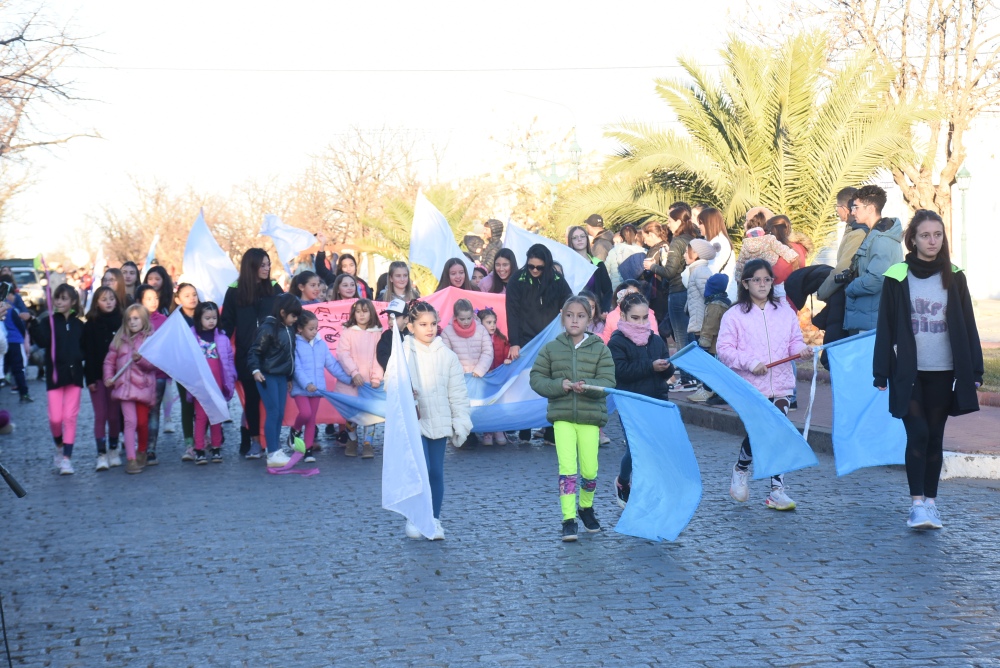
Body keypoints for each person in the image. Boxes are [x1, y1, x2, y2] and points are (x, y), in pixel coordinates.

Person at [873, 209, 983, 530]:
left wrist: (974, 369)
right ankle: (916, 505)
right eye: (925, 235)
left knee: (935, 436)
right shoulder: (897, 275)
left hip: (944, 371)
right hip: (908, 372)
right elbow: (886, 326)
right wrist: (881, 372)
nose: (932, 241)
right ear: (913, 239)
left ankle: (931, 504)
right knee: (917, 432)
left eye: (937, 235)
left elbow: (968, 324)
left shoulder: (955, 274)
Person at [718, 259, 811, 511]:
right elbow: (724, 350)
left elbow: (794, 341)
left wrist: (802, 351)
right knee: (761, 433)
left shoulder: (785, 311)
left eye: (767, 279)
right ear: (745, 283)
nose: (762, 284)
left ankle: (777, 490)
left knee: (777, 431)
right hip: (750, 387)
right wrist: (750, 363)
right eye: (756, 280)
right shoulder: (734, 315)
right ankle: (741, 468)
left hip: (781, 385)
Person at [529, 295, 616, 541]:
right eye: (570, 315)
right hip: (562, 417)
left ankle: (585, 508)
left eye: (580, 316)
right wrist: (560, 385)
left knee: (590, 470)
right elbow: (537, 378)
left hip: (590, 419)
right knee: (567, 469)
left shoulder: (600, 349)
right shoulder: (552, 348)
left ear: (589, 319)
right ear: (562, 317)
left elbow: (608, 382)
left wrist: (586, 385)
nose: (574, 320)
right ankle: (568, 518)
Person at [403, 300, 473, 541]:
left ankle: (433, 518)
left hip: (440, 422)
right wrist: (404, 392)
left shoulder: (448, 356)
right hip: (414, 422)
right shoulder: (402, 354)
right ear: (411, 326)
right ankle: (415, 517)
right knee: (419, 471)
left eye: (433, 323)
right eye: (423, 324)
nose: (429, 329)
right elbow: (391, 383)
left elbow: (458, 393)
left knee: (435, 472)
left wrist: (460, 422)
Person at [608, 292, 673, 508]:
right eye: (635, 318)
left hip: (656, 401)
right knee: (637, 449)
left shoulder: (655, 340)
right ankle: (624, 482)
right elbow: (621, 371)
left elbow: (665, 373)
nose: (641, 322)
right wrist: (650, 366)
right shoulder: (617, 342)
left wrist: (668, 368)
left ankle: (652, 489)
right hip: (631, 404)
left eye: (645, 317)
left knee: (655, 448)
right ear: (624, 317)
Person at [505, 243, 573, 442]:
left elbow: (569, 302)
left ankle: (551, 431)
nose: (534, 270)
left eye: (539, 268)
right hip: (526, 340)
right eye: (531, 266)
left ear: (547, 265)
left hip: (552, 342)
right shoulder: (517, 279)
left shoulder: (558, 280)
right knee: (527, 385)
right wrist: (514, 342)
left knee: (552, 385)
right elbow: (512, 313)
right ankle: (524, 429)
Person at [220, 248, 284, 459]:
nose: (266, 269)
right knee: (252, 400)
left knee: (275, 401)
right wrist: (216, 347)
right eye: (262, 265)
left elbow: (288, 315)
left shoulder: (275, 289)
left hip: (273, 355)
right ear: (251, 266)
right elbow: (226, 324)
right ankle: (255, 441)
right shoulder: (234, 291)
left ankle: (274, 442)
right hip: (247, 356)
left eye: (268, 264)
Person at [28, 284, 85, 476]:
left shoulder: (79, 325)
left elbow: (84, 347)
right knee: (55, 418)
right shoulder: (49, 322)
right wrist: (33, 323)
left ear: (73, 302)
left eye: (64, 298)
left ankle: (67, 459)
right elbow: (42, 342)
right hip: (54, 376)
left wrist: (79, 357)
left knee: (70, 417)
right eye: (57, 298)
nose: (59, 302)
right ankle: (59, 446)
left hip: (74, 376)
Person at [643, 207, 700, 390]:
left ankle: (687, 378)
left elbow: (670, 271)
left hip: (677, 291)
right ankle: (694, 377)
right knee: (691, 336)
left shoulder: (678, 242)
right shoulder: (693, 239)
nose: (667, 223)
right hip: (690, 291)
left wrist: (652, 267)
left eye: (670, 220)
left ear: (678, 221)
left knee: (682, 336)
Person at [289, 310, 353, 462]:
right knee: (305, 414)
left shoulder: (321, 345)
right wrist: (307, 384)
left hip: (317, 390)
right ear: (300, 329)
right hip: (301, 389)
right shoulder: (295, 344)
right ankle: (295, 429)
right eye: (311, 329)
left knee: (312, 420)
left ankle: (308, 450)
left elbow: (332, 365)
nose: (314, 331)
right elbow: (296, 368)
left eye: (316, 328)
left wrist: (349, 379)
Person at [247, 293, 302, 468]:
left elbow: (289, 356)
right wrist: (255, 370)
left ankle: (276, 449)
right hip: (267, 375)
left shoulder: (288, 327)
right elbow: (255, 351)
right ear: (283, 312)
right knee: (273, 413)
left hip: (280, 376)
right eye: (293, 316)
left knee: (279, 414)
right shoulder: (268, 328)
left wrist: (289, 377)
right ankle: (272, 452)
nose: (295, 320)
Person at [103, 304, 157, 474]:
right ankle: (131, 459)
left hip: (142, 388)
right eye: (129, 319)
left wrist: (140, 360)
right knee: (130, 422)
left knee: (142, 423)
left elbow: (152, 365)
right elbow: (109, 361)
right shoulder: (120, 339)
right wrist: (108, 377)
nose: (133, 322)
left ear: (144, 320)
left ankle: (142, 451)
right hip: (124, 389)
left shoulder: (149, 339)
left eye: (136, 318)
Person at [843, 185, 903, 333]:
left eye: (856, 207)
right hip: (869, 318)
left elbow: (876, 279)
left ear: (870, 209)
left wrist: (850, 288)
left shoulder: (881, 240)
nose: (852, 211)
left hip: (873, 323)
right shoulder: (875, 235)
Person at [189, 301, 236, 464]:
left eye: (214, 317)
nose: (211, 321)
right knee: (201, 418)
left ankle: (216, 447)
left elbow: (229, 360)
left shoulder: (222, 338)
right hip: (200, 386)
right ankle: (199, 448)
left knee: (216, 417)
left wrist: (231, 377)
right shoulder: (191, 337)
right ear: (198, 318)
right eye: (207, 318)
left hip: (218, 385)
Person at [83, 286, 124, 470]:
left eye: (111, 299)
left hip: (117, 377)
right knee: (101, 415)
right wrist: (90, 379)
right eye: (103, 299)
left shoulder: (122, 322)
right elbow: (88, 354)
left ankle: (114, 449)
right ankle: (101, 453)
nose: (108, 302)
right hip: (97, 377)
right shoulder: (90, 324)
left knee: (114, 416)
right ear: (96, 302)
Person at [336, 298, 384, 458]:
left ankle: (367, 443)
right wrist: (354, 372)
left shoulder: (377, 334)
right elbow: (343, 354)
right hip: (352, 383)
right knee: (352, 414)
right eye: (358, 311)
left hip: (370, 383)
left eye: (365, 311)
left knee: (370, 414)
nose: (361, 315)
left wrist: (377, 377)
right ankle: (352, 440)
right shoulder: (348, 332)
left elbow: (380, 357)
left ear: (371, 313)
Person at [136, 285, 167, 465]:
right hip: (138, 374)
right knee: (139, 413)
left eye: (155, 298)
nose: (153, 302)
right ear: (140, 301)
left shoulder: (164, 321)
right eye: (148, 298)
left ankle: (151, 449)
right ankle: (139, 446)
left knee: (154, 411)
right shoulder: (134, 319)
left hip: (158, 374)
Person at [690, 274, 732, 405]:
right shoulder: (724, 302)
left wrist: (703, 343)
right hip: (721, 344)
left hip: (714, 346)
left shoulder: (715, 305)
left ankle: (708, 391)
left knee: (712, 369)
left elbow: (710, 326)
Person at [173, 283, 200, 460]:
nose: (192, 298)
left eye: (194, 294)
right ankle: (189, 442)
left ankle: (202, 438)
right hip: (183, 368)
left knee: (203, 404)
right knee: (187, 405)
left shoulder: (204, 315)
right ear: (178, 300)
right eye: (187, 295)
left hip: (203, 368)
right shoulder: (175, 321)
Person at [477, 306, 511, 446]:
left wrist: (508, 358)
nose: (492, 325)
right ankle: (488, 431)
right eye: (488, 322)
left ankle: (499, 429)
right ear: (480, 323)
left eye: (494, 322)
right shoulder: (477, 339)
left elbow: (507, 351)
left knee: (499, 404)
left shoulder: (501, 339)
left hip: (498, 379)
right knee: (486, 405)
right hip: (484, 379)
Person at [567, 226, 613, 312]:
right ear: (571, 241)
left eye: (582, 236)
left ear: (587, 239)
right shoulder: (567, 265)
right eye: (575, 237)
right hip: (573, 313)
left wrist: (603, 310)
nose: (579, 239)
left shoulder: (597, 264)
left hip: (594, 315)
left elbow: (608, 291)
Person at [604, 223, 645, 289]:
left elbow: (605, 271)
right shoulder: (642, 251)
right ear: (636, 235)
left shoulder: (613, 251)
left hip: (617, 288)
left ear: (621, 237)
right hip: (635, 288)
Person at [376, 299, 410, 373]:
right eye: (389, 317)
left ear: (406, 319)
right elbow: (382, 355)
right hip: (394, 376)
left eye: (395, 318)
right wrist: (394, 368)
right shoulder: (386, 336)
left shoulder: (413, 334)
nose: (390, 321)